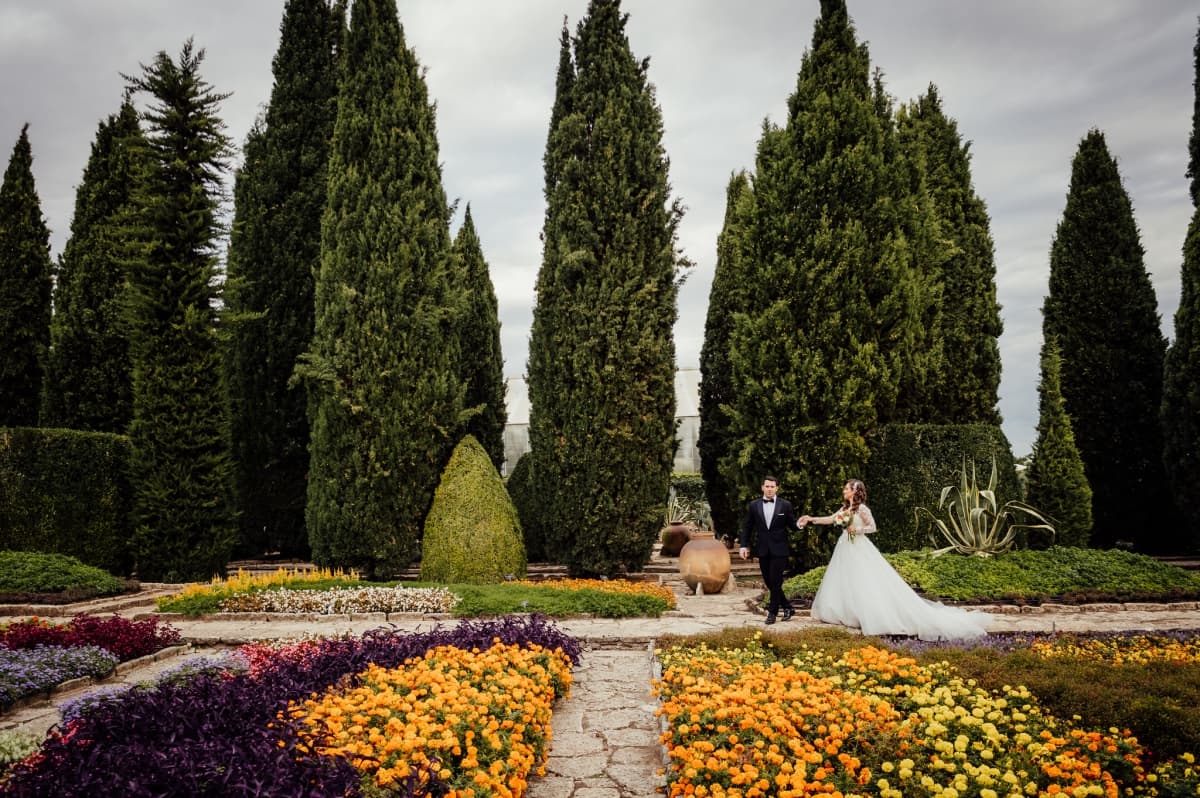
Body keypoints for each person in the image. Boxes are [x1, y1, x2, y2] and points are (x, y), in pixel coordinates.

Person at [799, 478, 990, 641]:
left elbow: (872, 527)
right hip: (845, 547)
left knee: (862, 580)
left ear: (855, 491)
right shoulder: (844, 508)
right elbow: (830, 519)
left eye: (846, 488)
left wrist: (855, 530)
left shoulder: (862, 509)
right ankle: (847, 613)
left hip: (858, 547)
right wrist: (810, 519)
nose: (844, 490)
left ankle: (868, 614)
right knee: (845, 581)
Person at [739, 475, 801, 625]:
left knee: (775, 580)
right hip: (763, 549)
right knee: (769, 581)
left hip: (780, 549)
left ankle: (772, 613)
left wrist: (801, 524)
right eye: (767, 486)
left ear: (777, 488)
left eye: (772, 487)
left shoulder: (785, 505)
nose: (769, 489)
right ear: (762, 487)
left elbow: (793, 525)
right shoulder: (754, 505)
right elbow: (747, 527)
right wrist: (743, 545)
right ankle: (787, 607)